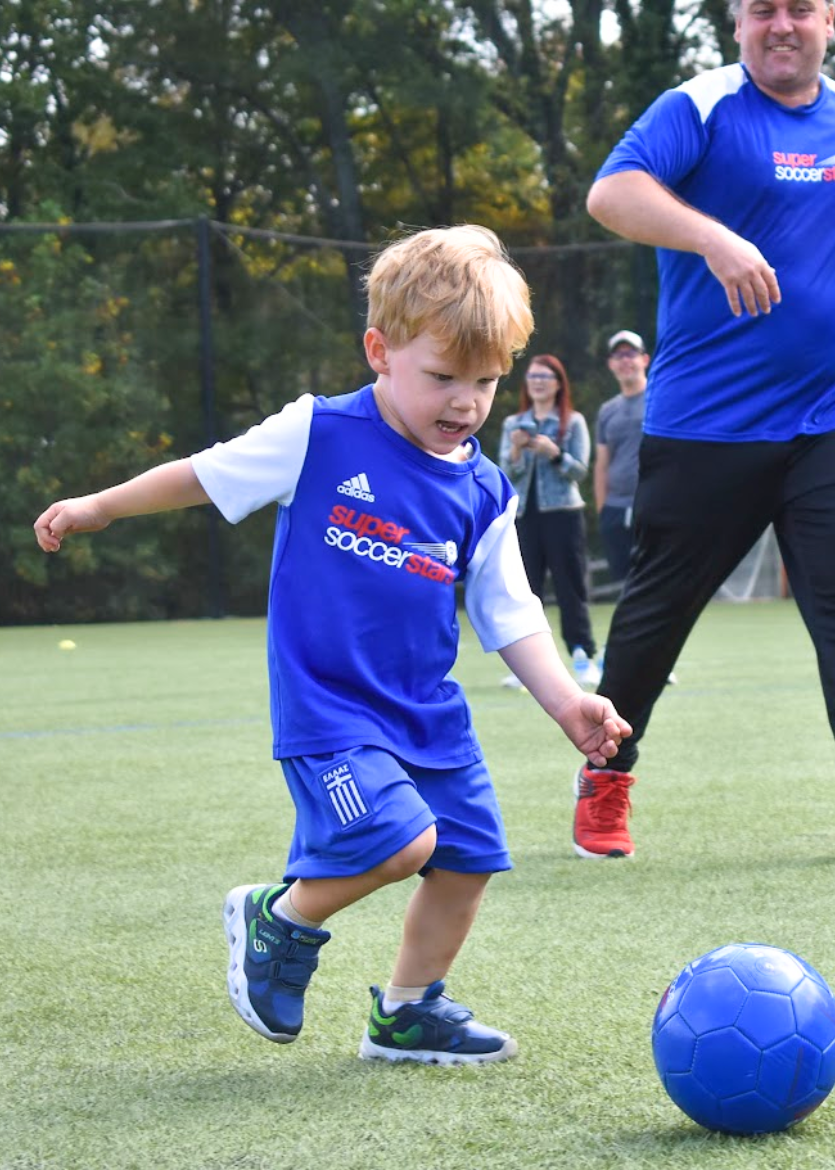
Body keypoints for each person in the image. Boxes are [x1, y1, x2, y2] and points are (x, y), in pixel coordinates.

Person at [32, 225, 631, 1065]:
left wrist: (568, 702)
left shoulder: (484, 486)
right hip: (331, 709)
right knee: (402, 841)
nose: (466, 402)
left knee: (467, 859)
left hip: (429, 715)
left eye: (486, 381)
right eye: (444, 377)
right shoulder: (318, 433)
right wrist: (100, 506)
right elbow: (206, 474)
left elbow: (512, 612)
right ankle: (279, 919)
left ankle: (407, 1012)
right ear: (380, 352)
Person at [578, 0, 835, 860]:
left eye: (799, 9)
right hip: (707, 426)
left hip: (831, 415)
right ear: (739, 25)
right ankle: (606, 773)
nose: (780, 24)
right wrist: (713, 239)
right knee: (658, 613)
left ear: (831, 22)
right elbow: (612, 191)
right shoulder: (701, 105)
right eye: (761, 10)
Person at [498, 354, 601, 688]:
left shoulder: (572, 422)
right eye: (532, 377)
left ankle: (582, 653)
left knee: (571, 586)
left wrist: (554, 453)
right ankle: (528, 668)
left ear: (558, 383)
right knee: (527, 590)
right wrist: (516, 451)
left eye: (545, 376)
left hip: (563, 515)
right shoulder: (514, 424)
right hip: (526, 516)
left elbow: (580, 471)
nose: (538, 382)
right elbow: (506, 473)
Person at [594, 330, 650, 586]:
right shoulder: (608, 410)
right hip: (615, 509)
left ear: (644, 360)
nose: (625, 360)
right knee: (624, 585)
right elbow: (602, 464)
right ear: (611, 364)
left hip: (652, 505)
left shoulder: (659, 400)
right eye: (619, 355)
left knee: (653, 579)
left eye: (631, 354)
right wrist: (603, 510)